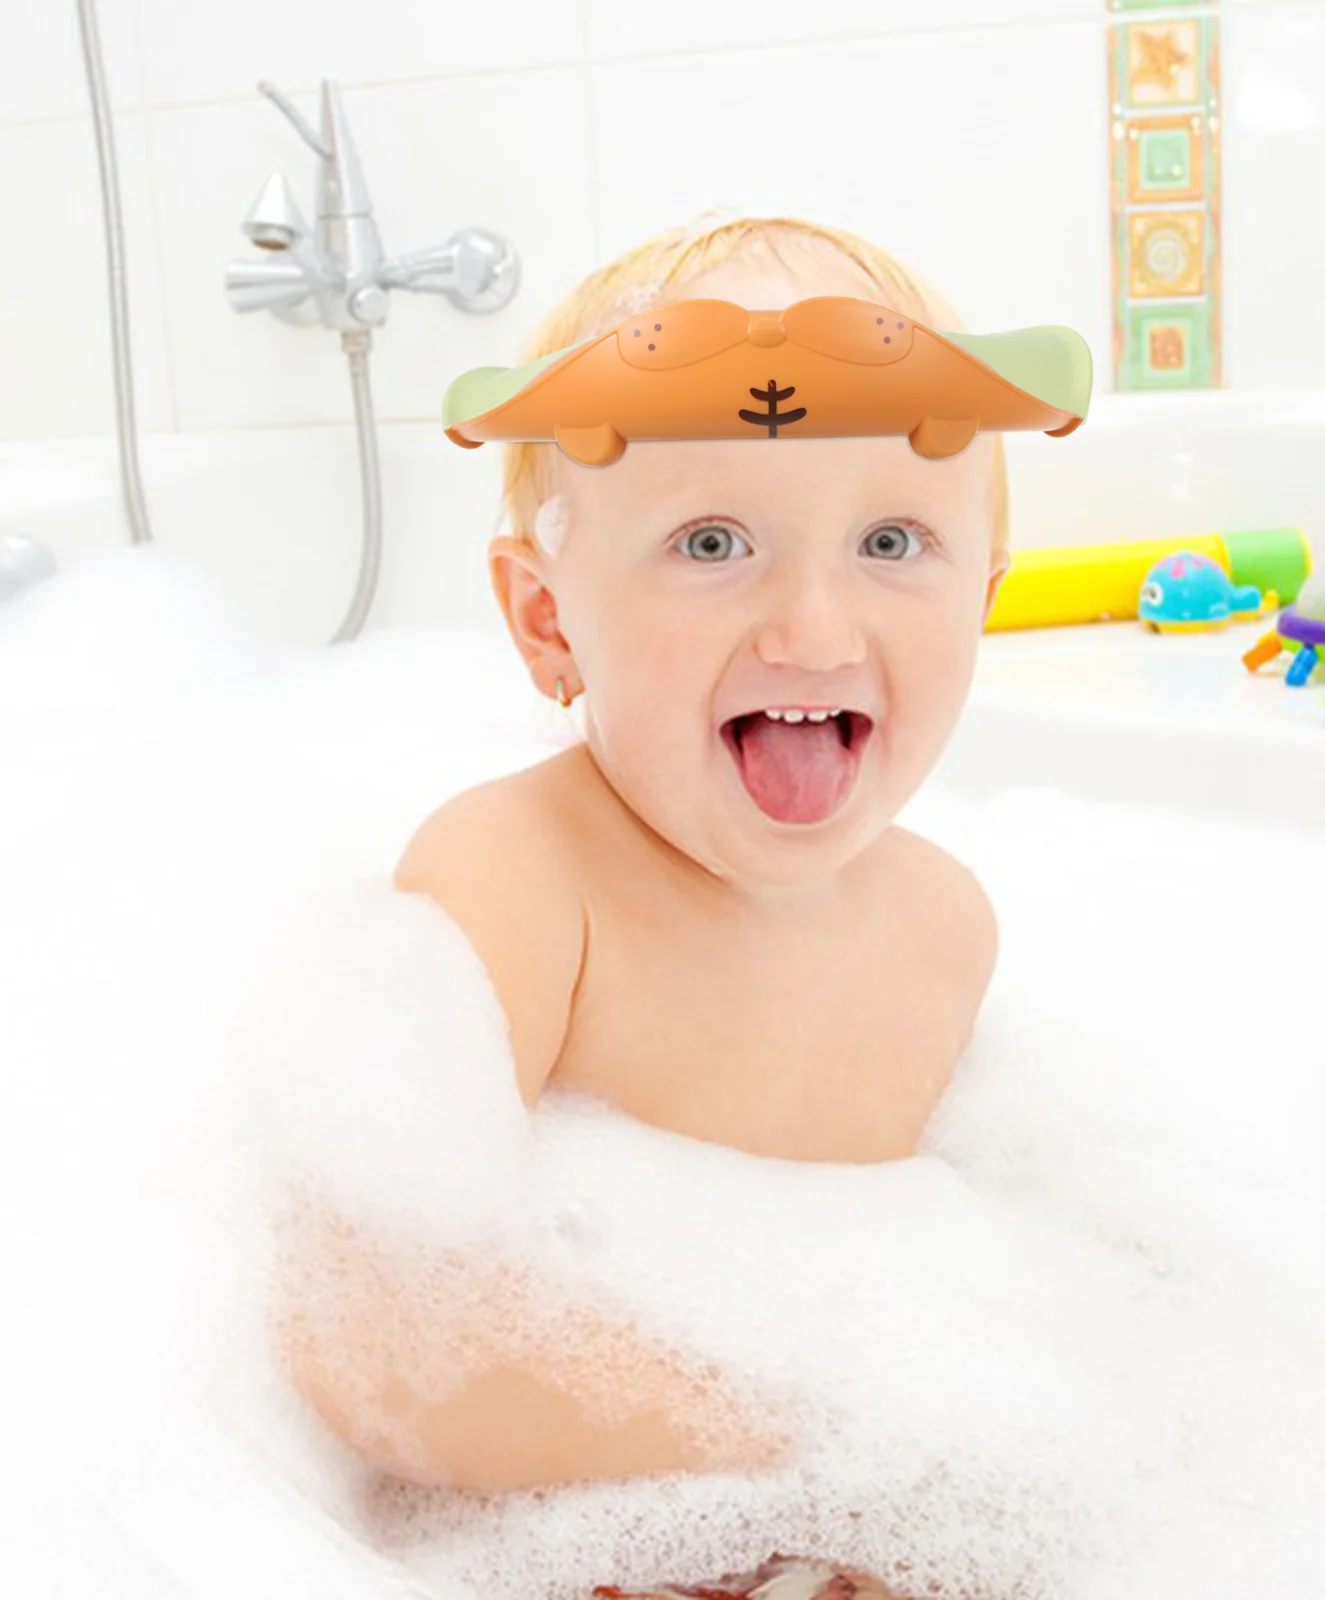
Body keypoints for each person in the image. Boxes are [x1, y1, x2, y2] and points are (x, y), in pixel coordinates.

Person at [277, 214, 1024, 1559]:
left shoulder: (948, 929)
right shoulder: (522, 883)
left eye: (896, 543)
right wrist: (824, 1436)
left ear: (987, 594)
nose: (813, 630)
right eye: (712, 542)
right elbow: (364, 1328)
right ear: (548, 621)